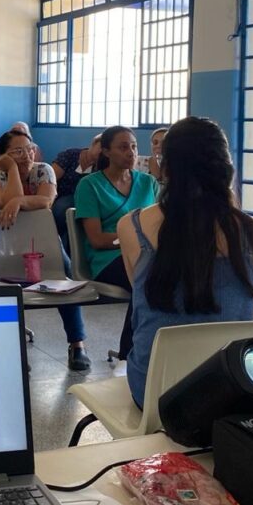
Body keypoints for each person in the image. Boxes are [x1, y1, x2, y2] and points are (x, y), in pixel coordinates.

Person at [117, 117, 253, 408]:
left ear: (165, 168)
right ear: (227, 168)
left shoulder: (133, 227)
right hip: (235, 392)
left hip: (154, 393)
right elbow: (248, 313)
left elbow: (142, 302)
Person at [0, 129, 90, 370]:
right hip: (1, 244)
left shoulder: (43, 170)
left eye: (29, 149)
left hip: (41, 243)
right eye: (17, 151)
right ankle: (12, 348)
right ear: (3, 157)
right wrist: (11, 170)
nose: (26, 155)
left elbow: (46, 200)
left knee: (64, 275)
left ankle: (77, 344)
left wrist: (19, 201)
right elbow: (2, 202)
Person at [74, 126, 159, 360]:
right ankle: (132, 354)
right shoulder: (90, 186)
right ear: (106, 152)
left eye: (133, 146)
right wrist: (133, 242)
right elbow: (97, 240)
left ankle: (157, 348)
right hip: (107, 260)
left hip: (147, 256)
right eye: (123, 147)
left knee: (164, 274)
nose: (131, 152)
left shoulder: (149, 183)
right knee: (148, 279)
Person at [50, 134, 101, 250]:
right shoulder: (70, 155)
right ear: (93, 144)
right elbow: (51, 178)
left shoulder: (102, 166)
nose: (102, 152)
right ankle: (53, 240)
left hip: (84, 201)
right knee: (63, 206)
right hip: (59, 195)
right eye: (101, 147)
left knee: (72, 213)